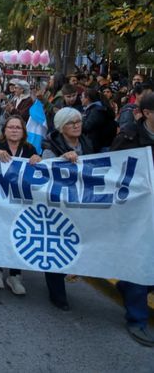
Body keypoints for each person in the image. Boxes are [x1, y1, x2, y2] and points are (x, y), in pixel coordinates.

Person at [110, 93, 154, 347]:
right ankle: (137, 319)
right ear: (147, 114)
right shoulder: (128, 137)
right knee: (142, 260)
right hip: (137, 212)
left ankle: (127, 286)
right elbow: (114, 170)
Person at [41, 108, 94, 311]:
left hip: (83, 203)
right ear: (62, 127)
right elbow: (45, 174)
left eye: (79, 121)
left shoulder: (87, 143)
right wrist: (62, 159)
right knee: (57, 246)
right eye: (71, 123)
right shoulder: (50, 146)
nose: (77, 125)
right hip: (60, 206)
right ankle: (57, 293)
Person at [0, 115, 41, 296]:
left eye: (18, 127)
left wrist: (36, 158)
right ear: (5, 130)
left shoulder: (29, 148)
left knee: (18, 235)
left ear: (23, 131)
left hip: (20, 201)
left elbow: (38, 166)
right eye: (11, 127)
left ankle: (15, 275)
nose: (14, 130)